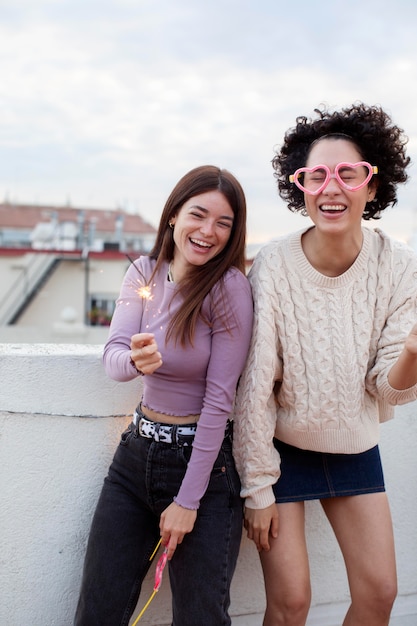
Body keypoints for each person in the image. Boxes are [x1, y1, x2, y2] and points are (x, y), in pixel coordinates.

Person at [233, 103, 417, 626]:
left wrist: (412, 352)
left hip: (355, 446)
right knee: (290, 606)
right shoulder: (272, 263)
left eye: (348, 173)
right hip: (282, 452)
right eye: (317, 175)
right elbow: (254, 387)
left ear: (373, 185)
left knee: (381, 594)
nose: (331, 187)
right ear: (301, 187)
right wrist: (257, 488)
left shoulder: (399, 265)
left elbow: (390, 388)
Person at [74, 165, 253, 626]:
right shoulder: (142, 272)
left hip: (205, 470)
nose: (208, 231)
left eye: (224, 223)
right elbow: (113, 356)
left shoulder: (228, 288)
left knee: (200, 618)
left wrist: (188, 501)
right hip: (134, 460)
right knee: (98, 611)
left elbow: (219, 401)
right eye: (198, 214)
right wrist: (135, 361)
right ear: (174, 215)